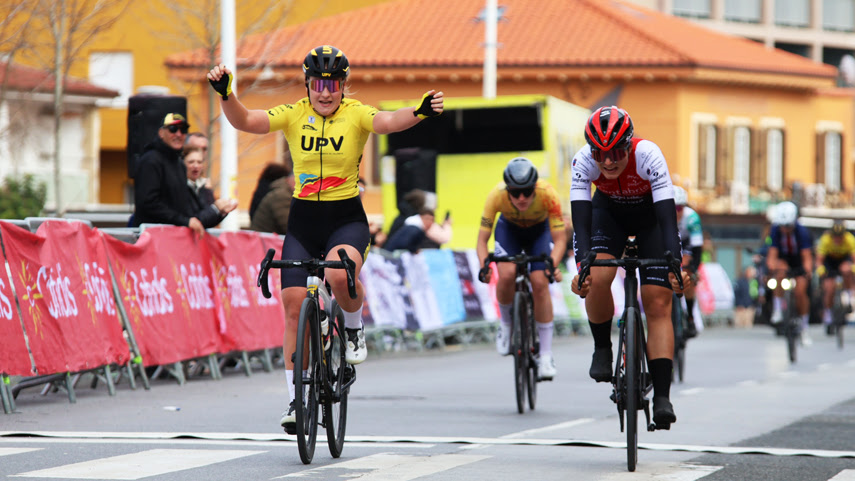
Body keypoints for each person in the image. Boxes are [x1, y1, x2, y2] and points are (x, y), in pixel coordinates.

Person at [207, 44, 443, 433]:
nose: (326, 92)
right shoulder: (293, 113)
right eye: (318, 83)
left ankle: (352, 325)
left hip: (345, 219)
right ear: (308, 85)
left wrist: (418, 111)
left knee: (338, 274)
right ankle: (296, 400)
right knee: (293, 305)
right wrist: (227, 95)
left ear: (344, 85)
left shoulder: (356, 114)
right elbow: (246, 120)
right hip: (303, 221)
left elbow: (387, 121)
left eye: (333, 84)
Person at [568, 106, 688, 427]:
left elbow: (667, 219)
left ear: (629, 144)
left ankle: (662, 396)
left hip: (651, 219)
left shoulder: (648, 154)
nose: (608, 161)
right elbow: (580, 224)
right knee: (596, 275)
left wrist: (674, 263)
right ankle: (602, 347)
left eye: (617, 152)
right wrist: (582, 267)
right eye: (600, 153)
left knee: (658, 301)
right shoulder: (582, 161)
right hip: (609, 217)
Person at [476, 157, 566, 381]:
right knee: (506, 274)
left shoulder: (548, 194)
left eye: (527, 191)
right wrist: (483, 266)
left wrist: (552, 265)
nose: (522, 198)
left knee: (539, 282)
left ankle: (545, 355)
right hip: (510, 232)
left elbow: (560, 238)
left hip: (539, 232)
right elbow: (481, 240)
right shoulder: (496, 196)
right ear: (508, 190)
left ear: (535, 187)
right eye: (515, 193)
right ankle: (506, 325)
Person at [131, 113, 205, 235]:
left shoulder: (179, 163)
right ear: (161, 133)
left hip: (173, 238)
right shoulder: (150, 160)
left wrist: (216, 212)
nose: (178, 134)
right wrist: (184, 221)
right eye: (173, 129)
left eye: (183, 130)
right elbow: (148, 203)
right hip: (151, 237)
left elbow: (182, 205)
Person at [766, 200, 814, 344]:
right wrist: (772, 267)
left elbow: (807, 257)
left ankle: (804, 327)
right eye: (782, 226)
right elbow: (772, 254)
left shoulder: (802, 232)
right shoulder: (775, 230)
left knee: (800, 291)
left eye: (787, 226)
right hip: (784, 258)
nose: (784, 229)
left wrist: (807, 272)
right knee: (779, 273)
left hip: (798, 259)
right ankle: (778, 309)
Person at [815, 219, 855, 335]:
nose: (838, 239)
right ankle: (828, 315)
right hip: (830, 262)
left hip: (844, 260)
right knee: (829, 288)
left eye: (840, 237)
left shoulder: (850, 240)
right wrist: (821, 271)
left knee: (846, 269)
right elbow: (819, 260)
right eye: (835, 237)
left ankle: (848, 296)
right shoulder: (825, 240)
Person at [673, 186, 703, 338]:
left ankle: (690, 316)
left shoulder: (692, 218)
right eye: (672, 208)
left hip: (687, 244)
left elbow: (697, 248)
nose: (677, 211)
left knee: (688, 274)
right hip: (670, 243)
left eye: (680, 207)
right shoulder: (659, 216)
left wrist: (694, 268)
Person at [184, 146, 237, 228]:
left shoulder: (202, 187)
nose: (196, 166)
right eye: (191, 162)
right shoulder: (179, 187)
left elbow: (207, 220)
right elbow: (195, 220)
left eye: (199, 162)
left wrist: (221, 211)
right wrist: (216, 208)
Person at [250, 168, 295, 235]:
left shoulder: (283, 192)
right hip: (265, 242)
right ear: (292, 178)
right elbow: (288, 226)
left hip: (265, 241)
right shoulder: (282, 195)